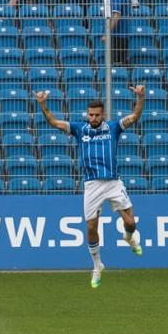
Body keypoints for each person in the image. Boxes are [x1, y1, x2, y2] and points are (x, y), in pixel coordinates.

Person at [35, 87, 145, 288]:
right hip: (92, 185)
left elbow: (136, 115)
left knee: (130, 223)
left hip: (113, 182)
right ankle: (97, 265)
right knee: (91, 227)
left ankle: (129, 238)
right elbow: (53, 122)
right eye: (90, 114)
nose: (93, 117)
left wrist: (140, 96)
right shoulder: (79, 129)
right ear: (88, 114)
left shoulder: (113, 128)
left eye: (96, 115)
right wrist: (43, 104)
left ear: (102, 115)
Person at [107, 0, 129, 67]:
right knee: (120, 63)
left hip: (118, 36)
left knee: (116, 64)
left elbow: (116, 16)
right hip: (123, 35)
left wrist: (107, 32)